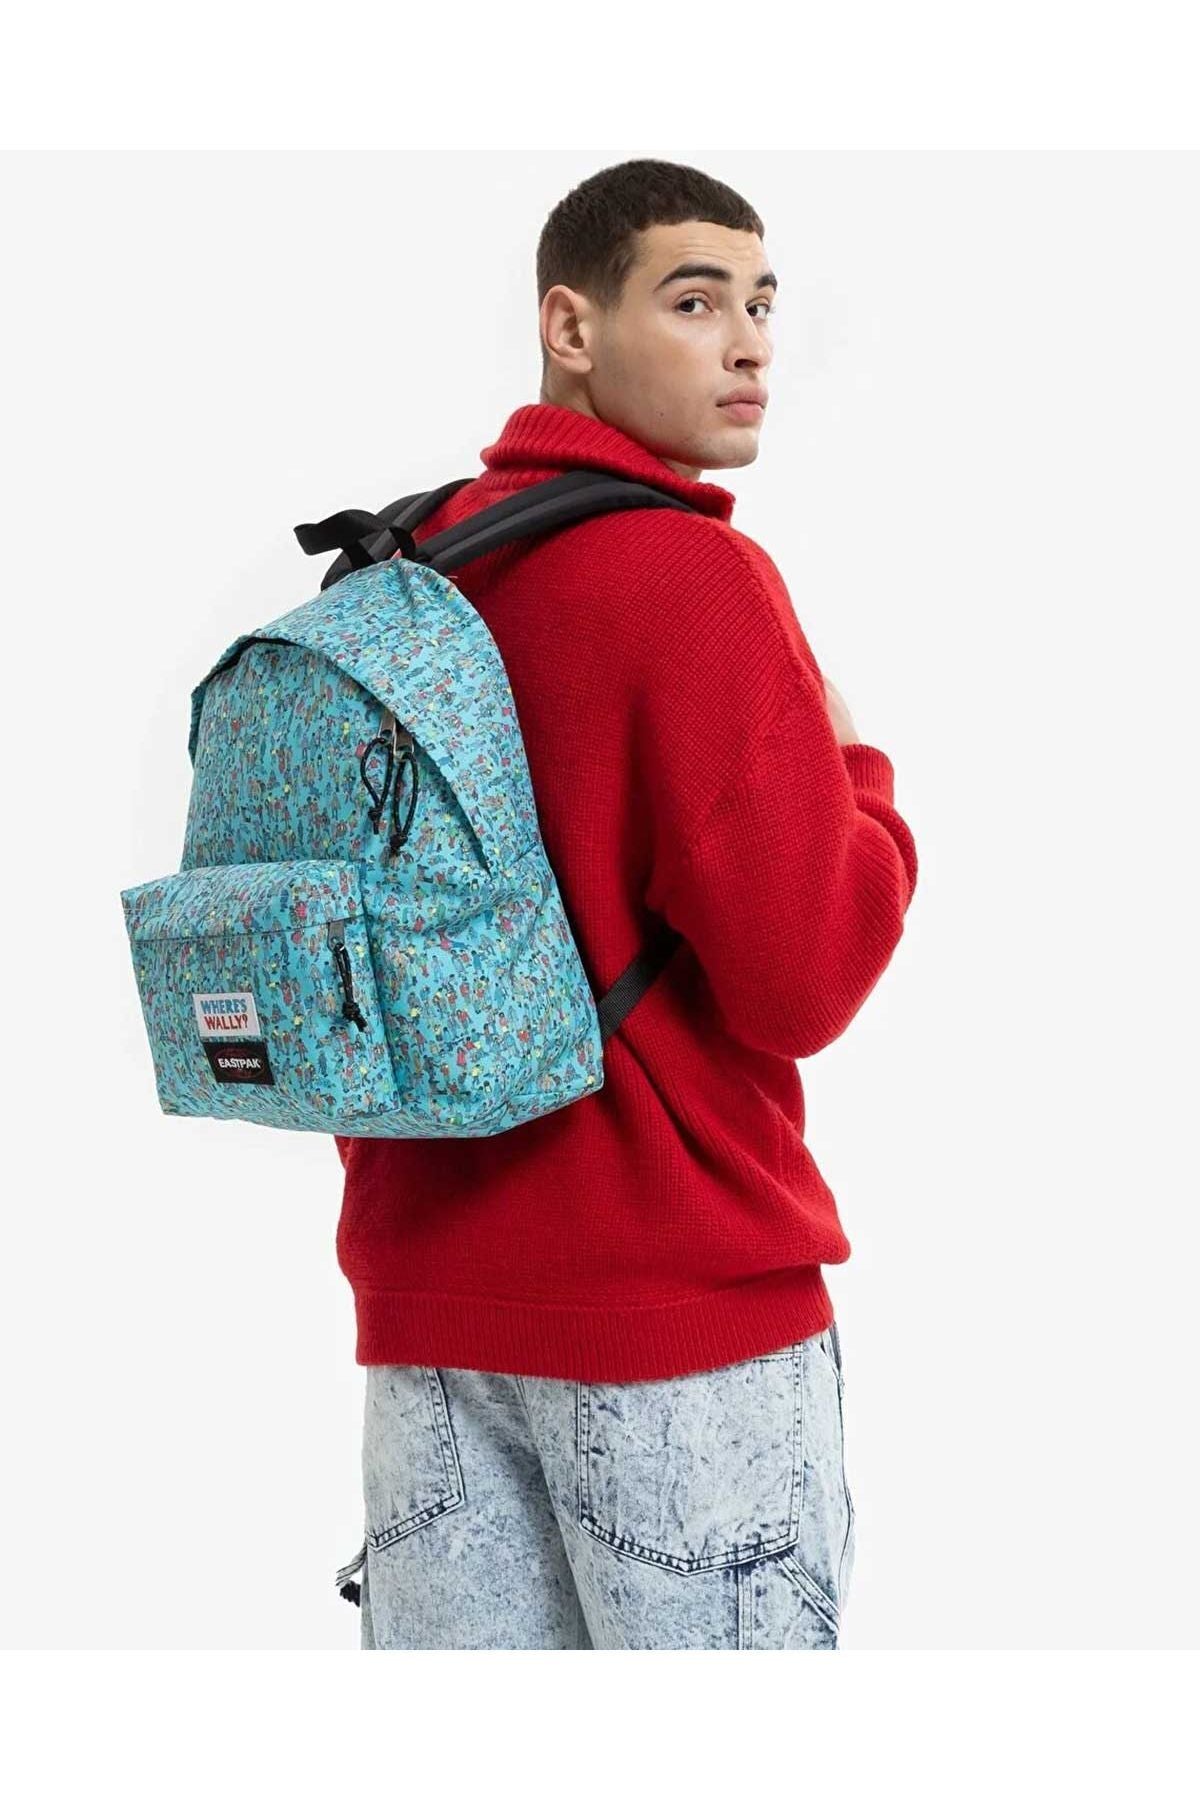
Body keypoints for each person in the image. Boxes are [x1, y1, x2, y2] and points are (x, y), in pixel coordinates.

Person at [332, 157, 919, 1649]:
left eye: (763, 305)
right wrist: (861, 781)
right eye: (695, 301)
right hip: (676, 1334)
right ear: (571, 327)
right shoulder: (692, 578)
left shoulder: (414, 572)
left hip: (429, 1329)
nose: (750, 345)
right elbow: (805, 978)